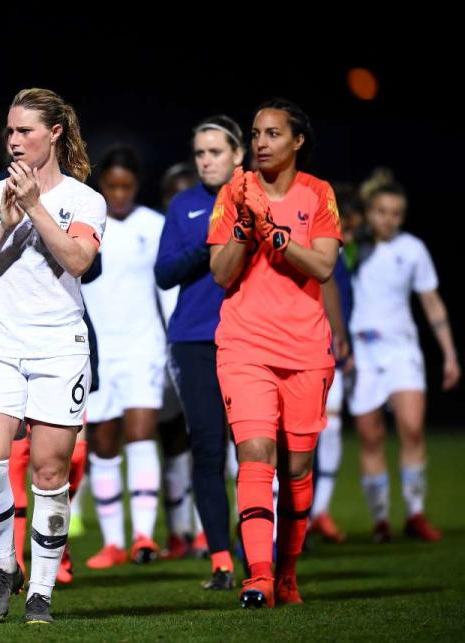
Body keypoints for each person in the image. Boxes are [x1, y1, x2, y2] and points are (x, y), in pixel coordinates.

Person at [0, 88, 105, 624]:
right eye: (10, 130)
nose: (14, 140)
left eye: (24, 130)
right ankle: (5, 568)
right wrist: (4, 220)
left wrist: (35, 209)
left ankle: (40, 592)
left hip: (58, 347)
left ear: (55, 134)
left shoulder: (85, 200)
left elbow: (78, 260)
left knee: (48, 472)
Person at [207, 99, 341, 608]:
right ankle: (257, 576)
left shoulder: (319, 194)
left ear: (297, 142)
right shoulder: (232, 192)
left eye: (273, 134)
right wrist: (246, 220)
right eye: (256, 134)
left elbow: (323, 266)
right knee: (255, 453)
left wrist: (275, 231)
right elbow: (221, 272)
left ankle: (287, 574)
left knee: (298, 469)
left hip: (306, 348)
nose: (260, 142)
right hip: (244, 345)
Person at [156, 115, 245, 589]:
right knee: (208, 447)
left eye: (216, 152)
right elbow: (164, 273)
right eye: (200, 153)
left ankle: (263, 556)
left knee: (253, 451)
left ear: (238, 155)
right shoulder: (185, 205)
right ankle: (221, 560)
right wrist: (210, 245)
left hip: (251, 337)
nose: (207, 160)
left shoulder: (257, 199)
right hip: (194, 338)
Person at [349, 176, 460, 543]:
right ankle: (381, 520)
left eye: (396, 213)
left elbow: (431, 301)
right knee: (370, 436)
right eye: (381, 212)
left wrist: (449, 354)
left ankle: (415, 513)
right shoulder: (352, 249)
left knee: (412, 429)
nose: (388, 219)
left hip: (402, 349)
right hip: (362, 351)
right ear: (368, 212)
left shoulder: (412, 249)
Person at [80, 145, 167, 569]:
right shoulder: (84, 222)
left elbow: (167, 290)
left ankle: (144, 536)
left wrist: (171, 343)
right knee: (104, 442)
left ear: (136, 186)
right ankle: (113, 541)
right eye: (111, 185)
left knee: (141, 433)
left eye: (125, 186)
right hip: (98, 348)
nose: (118, 194)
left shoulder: (154, 226)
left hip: (143, 345)